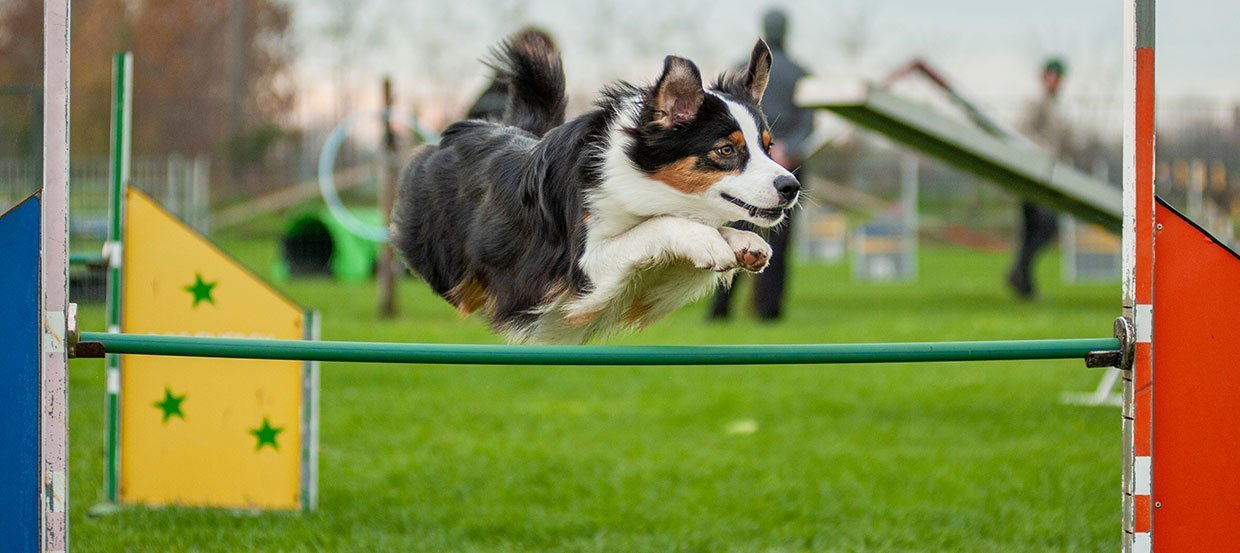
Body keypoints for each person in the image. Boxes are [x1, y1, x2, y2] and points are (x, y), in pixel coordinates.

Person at [709, 8, 814, 321]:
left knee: (733, 233)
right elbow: (808, 122)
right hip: (786, 167)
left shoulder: (739, 69)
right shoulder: (801, 73)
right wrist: (785, 149)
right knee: (778, 243)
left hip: (743, 164)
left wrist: (761, 151)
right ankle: (769, 312)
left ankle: (720, 311)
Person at [1007, 58, 1076, 299]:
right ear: (1043, 77)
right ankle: (1019, 276)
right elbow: (1020, 130)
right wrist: (1046, 150)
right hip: (1034, 175)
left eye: (1058, 76)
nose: (1054, 80)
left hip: (1048, 175)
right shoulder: (1036, 103)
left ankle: (1023, 282)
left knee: (1033, 231)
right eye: (1050, 75)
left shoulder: (1055, 106)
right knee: (1045, 227)